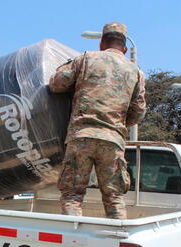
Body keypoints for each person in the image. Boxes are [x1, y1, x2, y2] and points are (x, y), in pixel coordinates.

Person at [49, 22, 146, 219]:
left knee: (72, 196)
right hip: (112, 141)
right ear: (125, 49)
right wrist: (115, 123)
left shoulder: (86, 59)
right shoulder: (136, 72)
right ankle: (117, 241)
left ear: (102, 43)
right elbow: (138, 113)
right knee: (114, 197)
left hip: (81, 137)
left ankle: (74, 240)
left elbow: (57, 84)